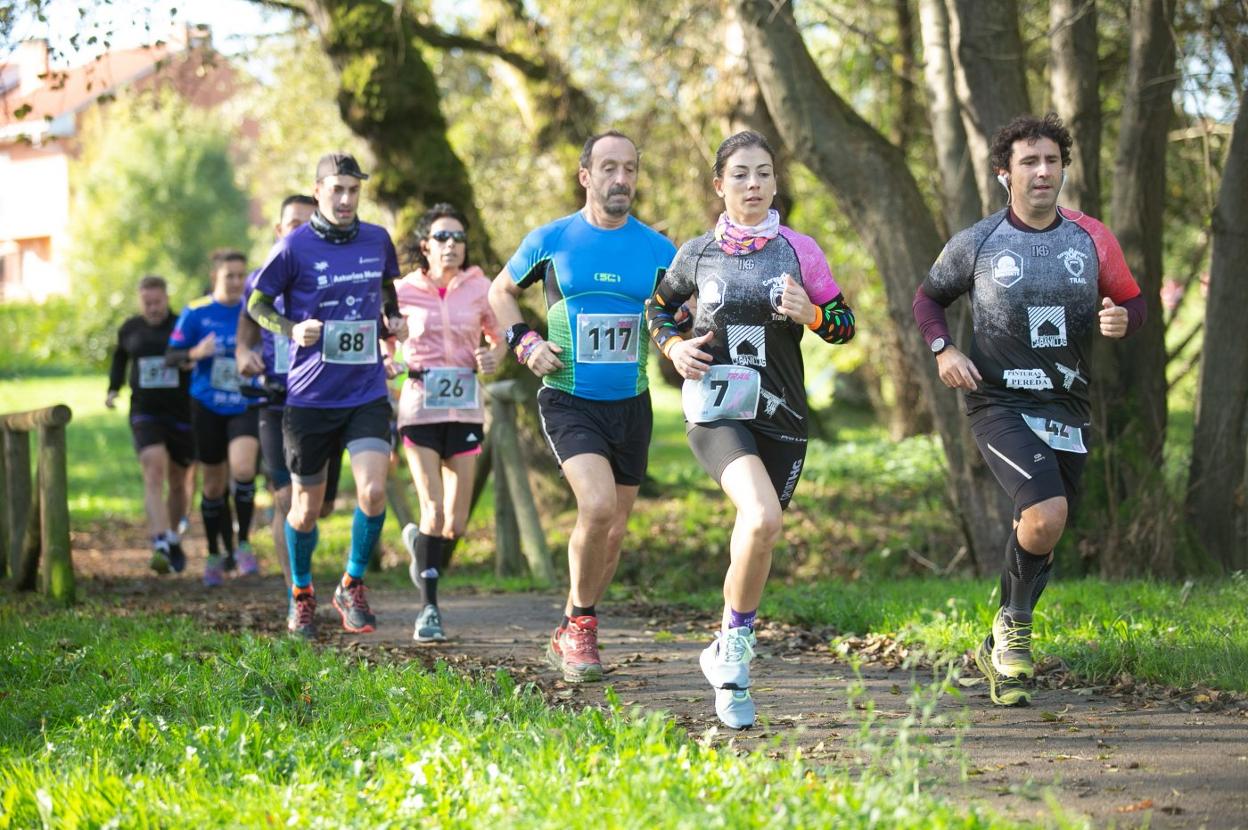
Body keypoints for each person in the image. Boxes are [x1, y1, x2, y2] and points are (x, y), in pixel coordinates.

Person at [912, 113, 1146, 706]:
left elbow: (1132, 301)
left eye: (1052, 161)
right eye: (1029, 162)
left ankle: (1001, 636)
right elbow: (929, 298)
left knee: (1046, 524)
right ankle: (1014, 630)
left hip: (1066, 402)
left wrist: (1123, 318)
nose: (1043, 172)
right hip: (997, 400)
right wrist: (944, 350)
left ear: (1064, 168)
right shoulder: (979, 242)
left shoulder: (1091, 238)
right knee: (1044, 511)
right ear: (1004, 174)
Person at [646, 130, 855, 729]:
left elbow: (844, 325)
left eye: (763, 173)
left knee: (759, 532)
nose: (753, 185)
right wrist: (675, 347)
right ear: (720, 185)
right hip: (717, 411)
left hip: (783, 415)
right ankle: (736, 655)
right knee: (761, 515)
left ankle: (725, 643)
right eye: (740, 174)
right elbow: (657, 308)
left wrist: (811, 314)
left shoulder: (799, 251)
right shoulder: (696, 253)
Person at [488, 130, 677, 683]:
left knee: (614, 531)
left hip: (632, 404)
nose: (622, 179)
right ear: (586, 176)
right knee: (596, 508)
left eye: (631, 170)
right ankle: (586, 628)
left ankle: (572, 623)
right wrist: (524, 344)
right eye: (610, 168)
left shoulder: (659, 250)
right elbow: (500, 293)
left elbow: (680, 314)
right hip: (569, 397)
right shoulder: (552, 239)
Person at [249, 153, 405, 639]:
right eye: (336, 189)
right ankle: (300, 593)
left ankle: (351, 584)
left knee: (374, 490)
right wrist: (293, 330)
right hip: (310, 397)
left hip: (365, 390)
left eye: (353, 191)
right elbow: (257, 304)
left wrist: (391, 321)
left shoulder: (377, 239)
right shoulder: (294, 247)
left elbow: (385, 291)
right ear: (318, 190)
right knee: (304, 509)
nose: (345, 199)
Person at [390, 203, 504, 642]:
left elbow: (499, 335)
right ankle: (429, 611)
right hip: (419, 407)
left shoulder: (480, 288)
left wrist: (493, 355)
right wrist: (389, 358)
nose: (451, 245)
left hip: (465, 409)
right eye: (442, 237)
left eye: (458, 237)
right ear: (425, 246)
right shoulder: (403, 291)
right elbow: (385, 335)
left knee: (454, 524)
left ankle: (419, 543)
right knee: (433, 509)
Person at [236, 194, 346, 608]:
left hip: (322, 399)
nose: (299, 230)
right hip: (276, 400)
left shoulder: (330, 274)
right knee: (286, 498)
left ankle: (302, 567)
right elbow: (246, 325)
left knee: (322, 505)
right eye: (292, 223)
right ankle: (296, 592)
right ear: (278, 230)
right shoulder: (260, 278)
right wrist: (243, 354)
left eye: (307, 223)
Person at [166, 250, 261, 587]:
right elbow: (171, 355)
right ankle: (214, 553)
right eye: (229, 276)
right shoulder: (196, 311)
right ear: (215, 278)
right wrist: (195, 353)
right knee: (213, 485)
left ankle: (245, 544)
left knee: (245, 469)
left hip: (245, 402)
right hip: (206, 406)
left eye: (241, 275)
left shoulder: (254, 309)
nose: (236, 282)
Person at [107, 275, 193, 574]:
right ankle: (159, 544)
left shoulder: (182, 324)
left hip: (182, 413)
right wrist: (113, 389)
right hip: (145, 412)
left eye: (158, 302)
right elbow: (119, 358)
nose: (153, 308)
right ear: (139, 301)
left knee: (179, 481)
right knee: (153, 471)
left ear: (167, 298)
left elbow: (197, 358)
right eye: (147, 303)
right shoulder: (130, 328)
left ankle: (173, 537)